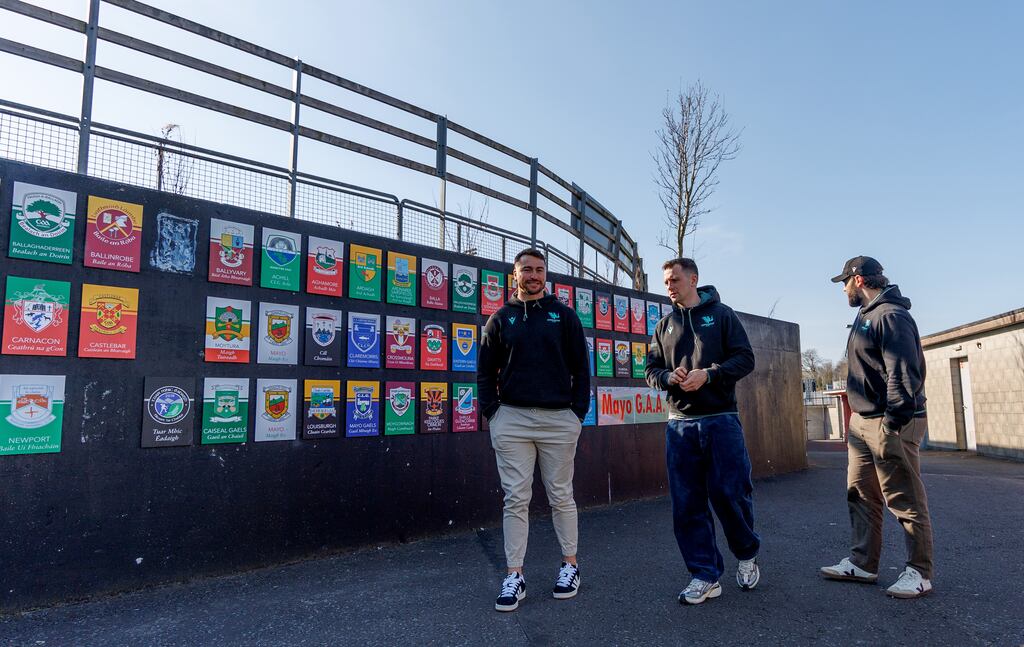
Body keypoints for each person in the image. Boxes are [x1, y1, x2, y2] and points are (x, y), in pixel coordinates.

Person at [478, 247, 591, 612]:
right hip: (511, 419)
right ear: (514, 275)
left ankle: (570, 566)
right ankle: (515, 575)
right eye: (526, 270)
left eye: (539, 270)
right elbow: (484, 372)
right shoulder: (499, 319)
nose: (534, 276)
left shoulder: (565, 316)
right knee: (516, 498)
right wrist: (492, 413)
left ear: (546, 275)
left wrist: (576, 413)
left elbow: (582, 370)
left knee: (561, 495)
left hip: (559, 420)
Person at [645, 257, 759, 605]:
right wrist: (668, 377)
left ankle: (747, 553)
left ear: (693, 279)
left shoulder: (722, 316)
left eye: (675, 280)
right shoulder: (664, 325)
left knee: (729, 494)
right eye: (666, 281)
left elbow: (745, 359)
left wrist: (709, 374)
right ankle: (704, 575)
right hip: (680, 426)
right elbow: (651, 369)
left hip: (721, 419)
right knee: (687, 503)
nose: (669, 286)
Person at [820, 256, 933, 599]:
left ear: (858, 280)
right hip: (863, 422)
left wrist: (892, 423)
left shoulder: (891, 316)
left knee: (904, 497)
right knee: (861, 493)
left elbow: (903, 374)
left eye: (844, 282)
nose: (842, 289)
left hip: (891, 421)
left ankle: (920, 571)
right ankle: (863, 562)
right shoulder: (865, 316)